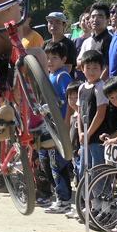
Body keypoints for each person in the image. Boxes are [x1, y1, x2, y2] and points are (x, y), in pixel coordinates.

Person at [41, 42, 74, 213]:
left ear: (64, 59)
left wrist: (66, 123)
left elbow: (70, 101)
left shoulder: (63, 77)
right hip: (48, 126)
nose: (50, 61)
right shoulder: (49, 76)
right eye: (47, 57)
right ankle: (57, 196)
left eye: (54, 57)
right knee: (45, 161)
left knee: (57, 164)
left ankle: (64, 199)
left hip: (59, 127)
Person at [76, 50, 109, 182]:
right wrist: (80, 133)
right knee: (83, 171)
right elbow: (79, 112)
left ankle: (98, 201)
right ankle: (86, 200)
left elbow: (100, 114)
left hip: (97, 137)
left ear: (102, 68)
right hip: (85, 138)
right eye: (87, 68)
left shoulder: (101, 87)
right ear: (82, 69)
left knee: (98, 171)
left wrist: (88, 134)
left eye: (95, 68)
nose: (91, 71)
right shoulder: (82, 87)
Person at [78, 2, 112, 79]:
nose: (95, 20)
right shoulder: (91, 40)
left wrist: (98, 85)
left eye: (100, 16)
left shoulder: (108, 40)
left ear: (107, 20)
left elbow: (108, 67)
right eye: (93, 17)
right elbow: (78, 66)